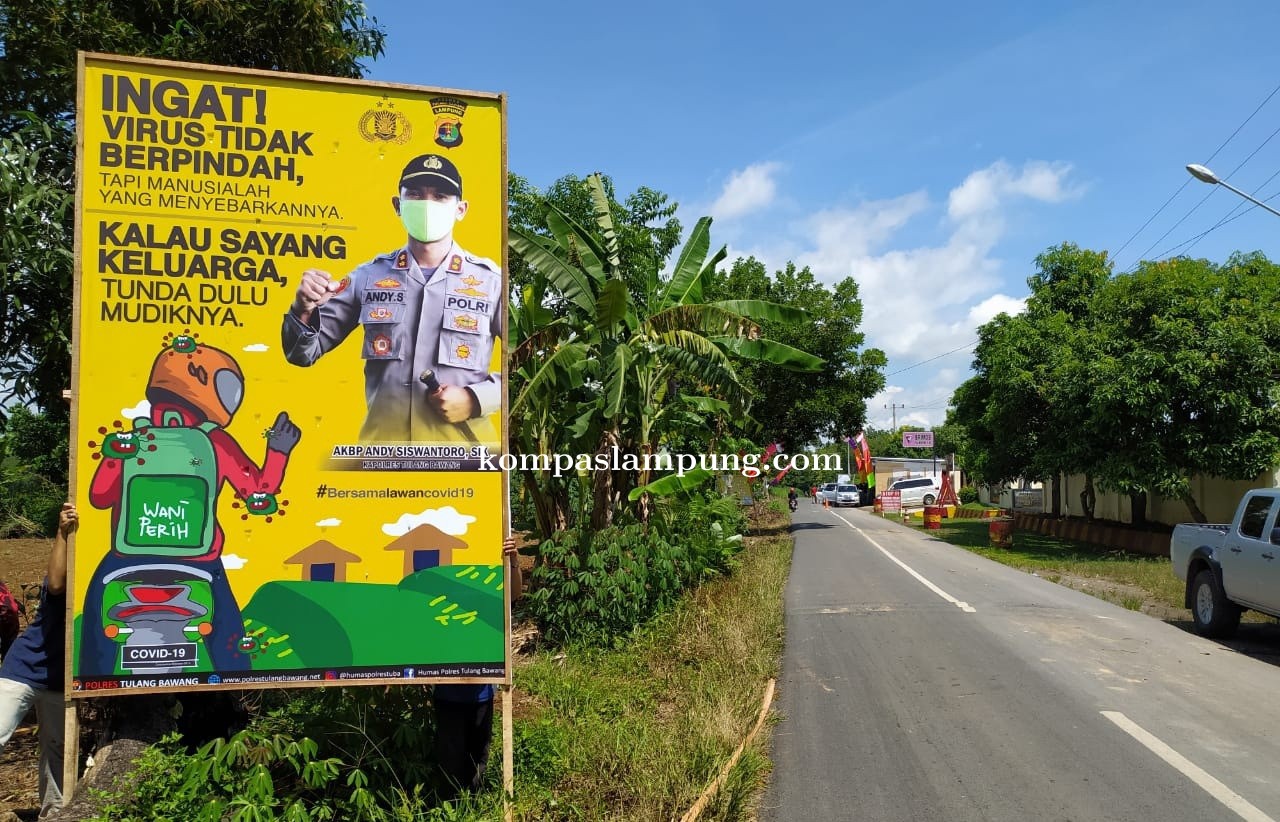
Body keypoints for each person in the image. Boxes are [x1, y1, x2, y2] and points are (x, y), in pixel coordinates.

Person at [281, 152, 503, 445]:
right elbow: (301, 354)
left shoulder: (492, 282)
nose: (427, 205)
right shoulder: (367, 277)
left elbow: (530, 368)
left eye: (440, 196)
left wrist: (476, 398)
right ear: (398, 205)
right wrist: (303, 308)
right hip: (382, 458)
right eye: (415, 195)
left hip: (462, 461)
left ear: (460, 209)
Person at [0, 502, 76, 817]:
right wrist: (62, 531)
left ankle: (53, 813)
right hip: (25, 668)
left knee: (57, 753)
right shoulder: (69, 573)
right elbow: (56, 583)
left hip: (63, 680)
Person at [432, 536, 522, 799]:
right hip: (447, 693)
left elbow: (514, 594)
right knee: (450, 759)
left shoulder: (486, 591)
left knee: (478, 757)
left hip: (482, 692)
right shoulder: (442, 600)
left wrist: (513, 559)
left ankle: (473, 805)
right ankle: (449, 807)